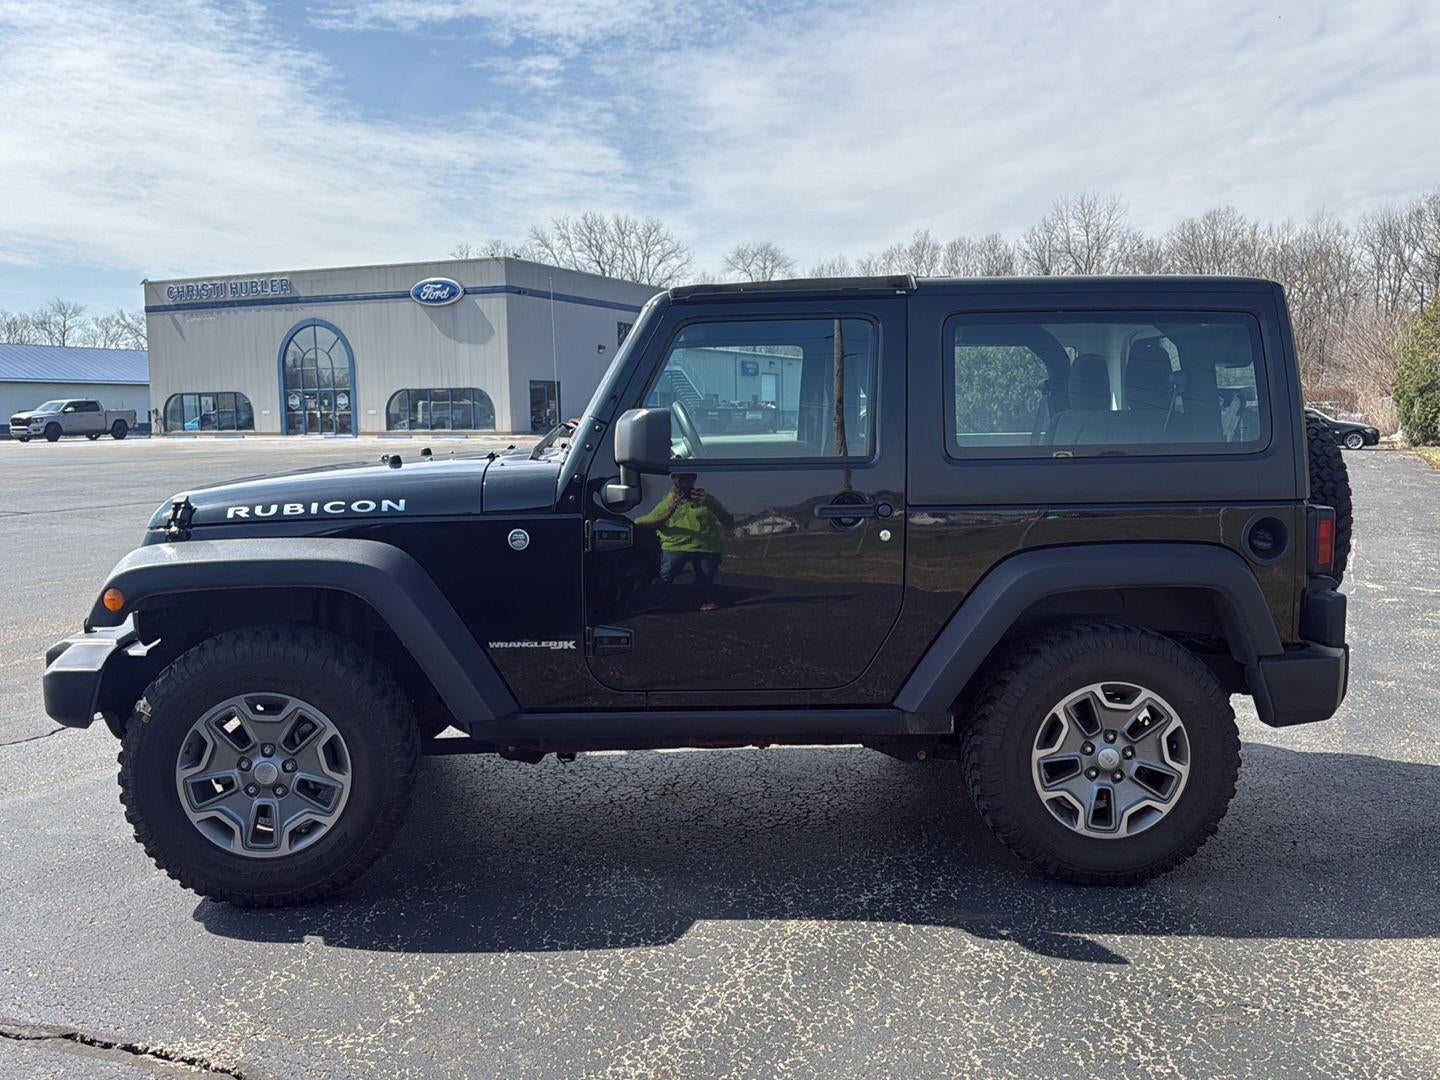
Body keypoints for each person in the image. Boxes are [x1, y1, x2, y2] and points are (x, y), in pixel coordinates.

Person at [635, 473, 734, 611]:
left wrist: (710, 504)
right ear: (673, 480)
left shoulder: (707, 499)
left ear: (694, 479)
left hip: (706, 547)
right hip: (675, 546)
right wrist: (668, 513)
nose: (683, 482)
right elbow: (642, 523)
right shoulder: (668, 501)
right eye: (679, 478)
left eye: (687, 478)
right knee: (665, 577)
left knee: (705, 578)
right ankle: (654, 602)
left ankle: (698, 601)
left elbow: (728, 520)